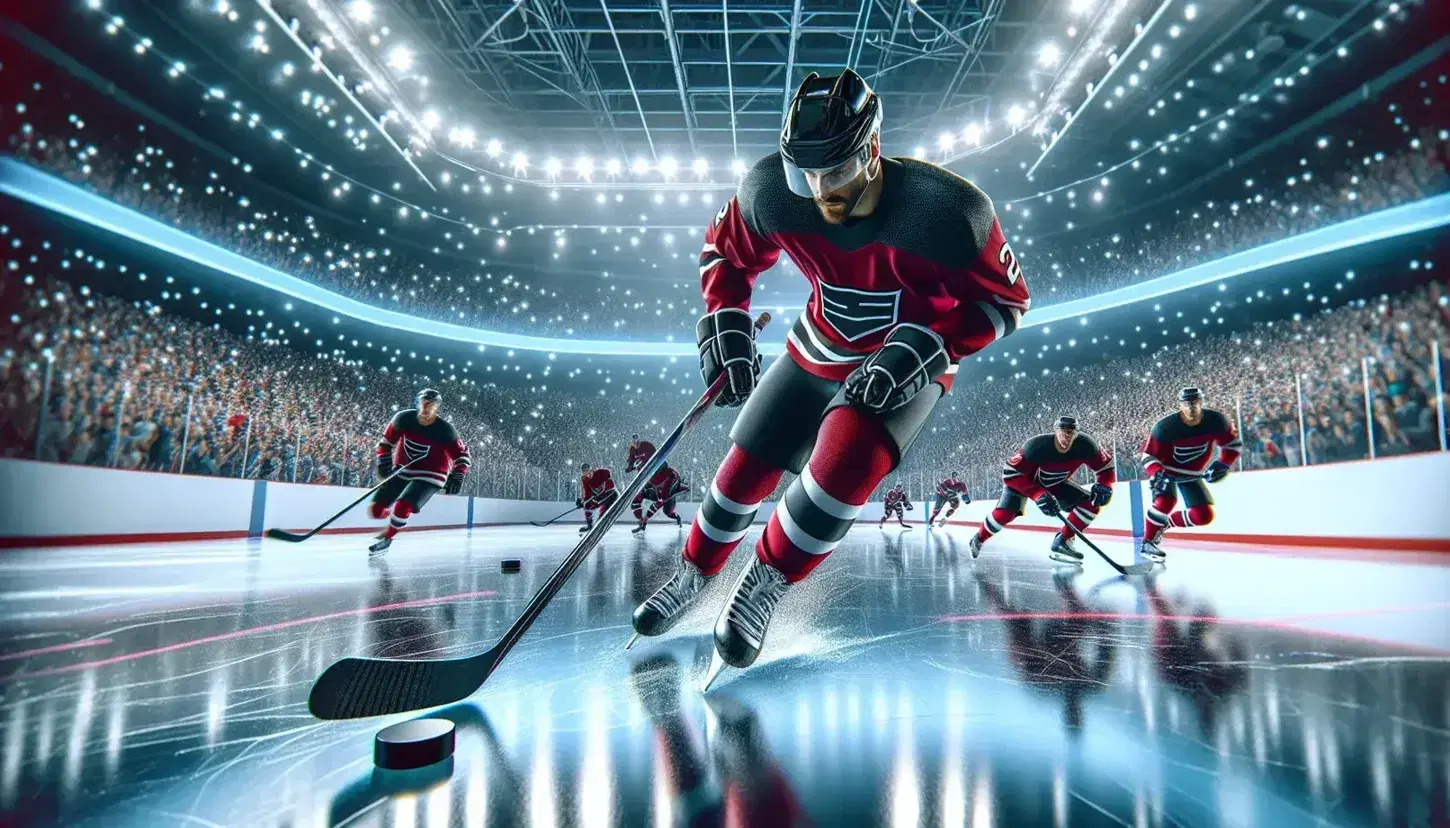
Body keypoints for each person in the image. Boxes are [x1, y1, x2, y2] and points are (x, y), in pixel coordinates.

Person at [632, 67, 1031, 672]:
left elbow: (1005, 302)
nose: (820, 190)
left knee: (837, 478)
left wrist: (931, 345)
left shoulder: (951, 214)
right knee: (743, 470)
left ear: (872, 151)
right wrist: (725, 316)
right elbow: (727, 251)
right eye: (805, 172)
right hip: (817, 341)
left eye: (835, 170)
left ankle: (764, 582)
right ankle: (695, 573)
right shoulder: (771, 192)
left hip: (902, 358)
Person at [970, 416, 1115, 564]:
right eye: (1063, 431)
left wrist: (1105, 485)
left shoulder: (1086, 445)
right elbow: (1010, 474)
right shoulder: (1036, 446)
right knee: (1005, 514)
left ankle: (1062, 541)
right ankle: (979, 538)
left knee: (1091, 505)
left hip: (1056, 483)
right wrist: (1037, 494)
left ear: (1077, 434)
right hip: (1024, 482)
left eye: (1071, 433)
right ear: (1055, 431)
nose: (1067, 436)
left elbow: (1106, 468)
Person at [1139, 387, 1242, 562]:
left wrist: (1223, 463)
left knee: (1203, 516)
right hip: (1167, 472)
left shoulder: (1217, 420)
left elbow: (1232, 444)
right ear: (1180, 405)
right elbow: (1148, 455)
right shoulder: (1165, 427)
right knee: (1165, 501)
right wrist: (1156, 473)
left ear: (1201, 402)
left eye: (1195, 403)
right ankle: (1147, 543)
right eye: (1187, 404)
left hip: (1192, 474)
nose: (1191, 408)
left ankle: (1166, 524)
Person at [367, 389, 470, 554]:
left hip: (432, 474)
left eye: (431, 404)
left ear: (437, 407)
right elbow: (385, 443)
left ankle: (388, 537)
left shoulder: (445, 430)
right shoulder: (403, 418)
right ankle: (394, 520)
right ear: (418, 402)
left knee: (402, 506)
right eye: (424, 402)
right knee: (375, 510)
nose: (427, 406)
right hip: (403, 469)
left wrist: (458, 474)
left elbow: (463, 455)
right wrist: (383, 460)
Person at [631, 463, 689, 533]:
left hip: (668, 496)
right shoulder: (651, 481)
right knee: (642, 495)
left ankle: (677, 517)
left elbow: (657, 505)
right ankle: (642, 522)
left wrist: (646, 518)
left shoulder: (669, 479)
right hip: (658, 491)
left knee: (667, 512)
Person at [577, 462, 619, 533]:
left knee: (595, 505)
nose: (586, 472)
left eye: (587, 470)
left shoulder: (596, 474)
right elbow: (585, 492)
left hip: (608, 494)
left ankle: (600, 521)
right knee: (588, 506)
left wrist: (586, 500)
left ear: (590, 469)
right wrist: (583, 500)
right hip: (601, 496)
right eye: (584, 471)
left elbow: (607, 473)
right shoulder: (584, 479)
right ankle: (591, 524)